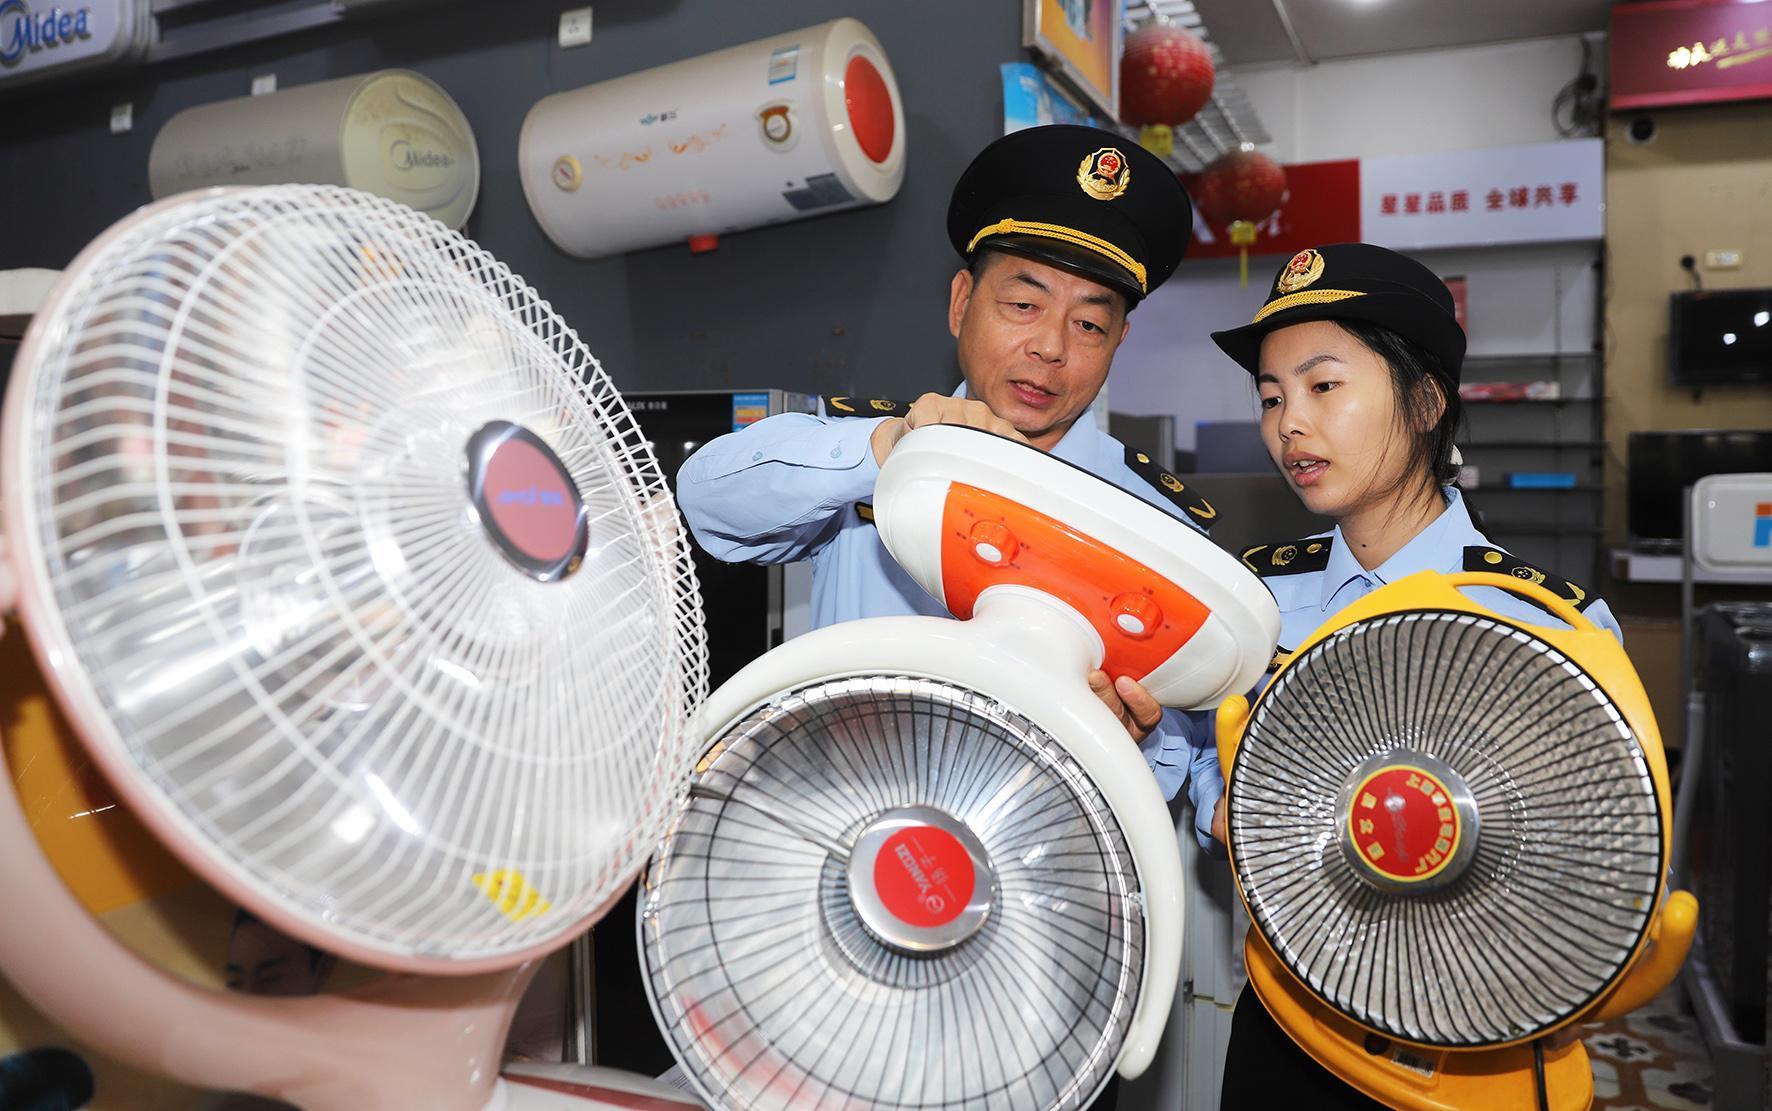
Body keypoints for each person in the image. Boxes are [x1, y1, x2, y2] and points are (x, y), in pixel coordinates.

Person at [676, 123, 1227, 849]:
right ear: (961, 302)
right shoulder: (874, 446)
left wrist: (1135, 740)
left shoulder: (1159, 524)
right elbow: (707, 502)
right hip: (831, 845)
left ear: (1118, 341)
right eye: (1023, 305)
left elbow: (1176, 760)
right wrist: (888, 450)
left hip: (1039, 871)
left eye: (1090, 324)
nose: (1052, 347)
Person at [1205, 242, 1621, 1108]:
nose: (1288, 424)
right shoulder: (1249, 599)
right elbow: (1204, 756)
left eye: (1324, 386)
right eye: (1272, 397)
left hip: (1476, 1043)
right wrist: (1221, 797)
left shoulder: (1548, 625)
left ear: (1427, 401)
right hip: (1287, 1022)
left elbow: (1597, 869)